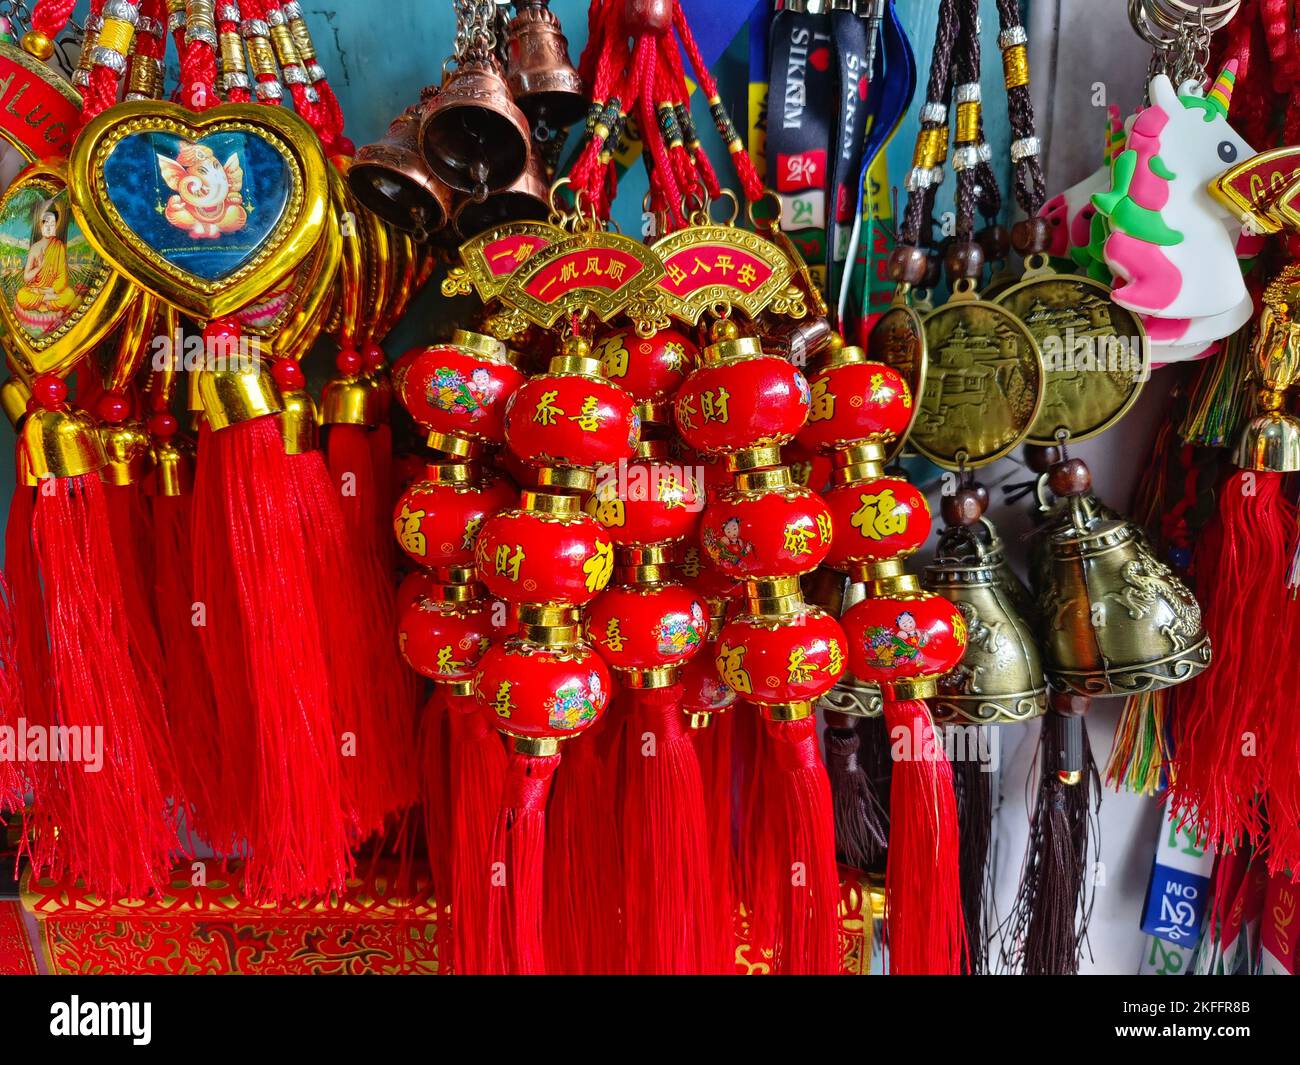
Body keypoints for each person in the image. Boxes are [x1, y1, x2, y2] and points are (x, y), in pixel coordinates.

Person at [16, 205, 78, 315]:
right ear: (41, 226)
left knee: (70, 295)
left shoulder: (59, 247)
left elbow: (62, 276)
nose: (49, 228)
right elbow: (26, 278)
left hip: (51, 291)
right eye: (46, 224)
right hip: (36, 288)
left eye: (52, 225)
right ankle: (46, 300)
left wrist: (51, 290)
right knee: (21, 295)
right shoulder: (35, 248)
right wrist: (39, 267)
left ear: (56, 227)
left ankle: (44, 300)